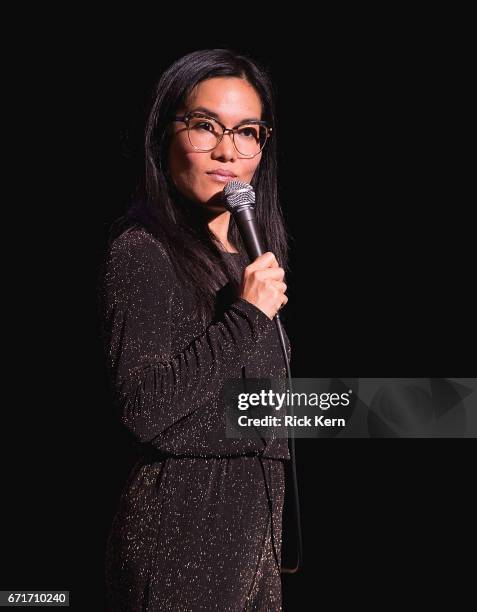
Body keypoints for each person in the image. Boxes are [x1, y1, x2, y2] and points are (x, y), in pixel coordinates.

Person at [98, 48, 291, 611]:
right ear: (165, 133)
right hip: (183, 531)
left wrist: (413, 410)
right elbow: (146, 407)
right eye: (205, 126)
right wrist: (248, 317)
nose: (227, 151)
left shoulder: (247, 260)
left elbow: (258, 412)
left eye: (247, 131)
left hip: (255, 532)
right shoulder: (143, 250)